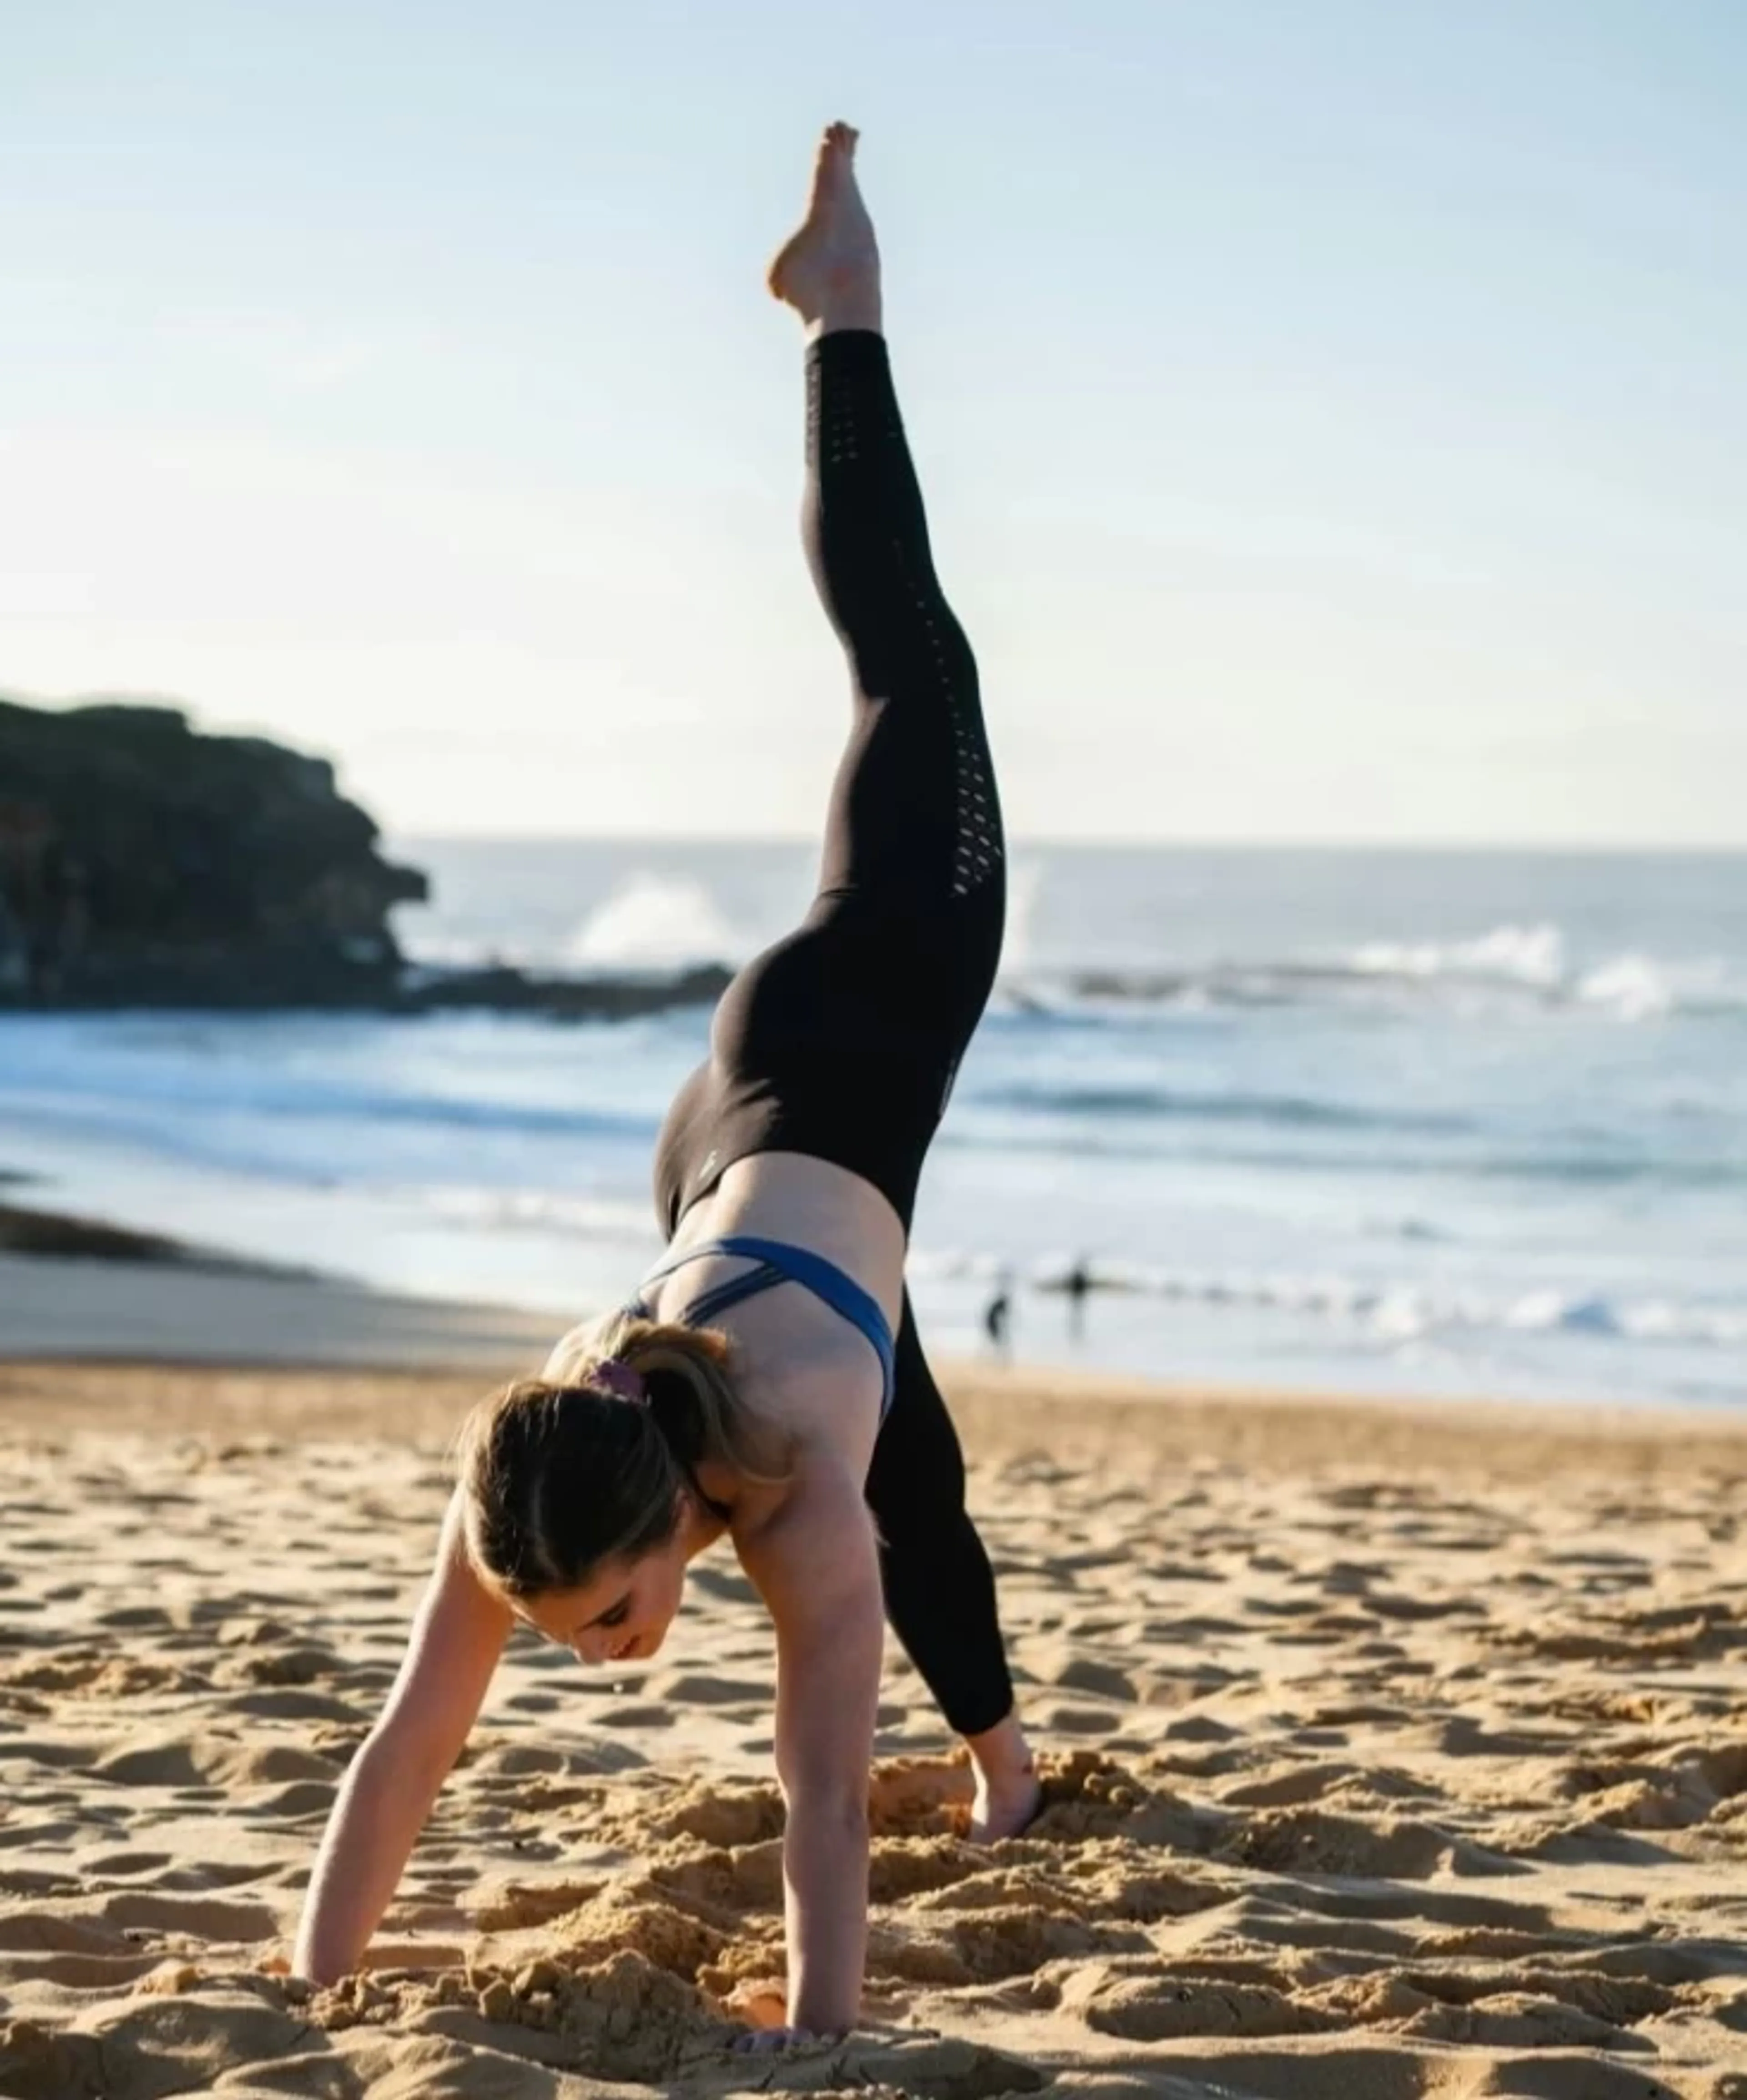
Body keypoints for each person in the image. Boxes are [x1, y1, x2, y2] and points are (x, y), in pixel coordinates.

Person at [292, 123, 1038, 2049]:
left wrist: (823, 2030)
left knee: (913, 671)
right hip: (719, 1151)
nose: (604, 1656)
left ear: (661, 1530)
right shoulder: (541, 1478)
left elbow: (817, 1801)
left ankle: (842, 303)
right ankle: (1014, 1771)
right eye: (587, 1636)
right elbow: (408, 1739)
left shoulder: (788, 1493)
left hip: (865, 1013)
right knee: (923, 1459)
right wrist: (316, 1987)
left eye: (612, 1620)